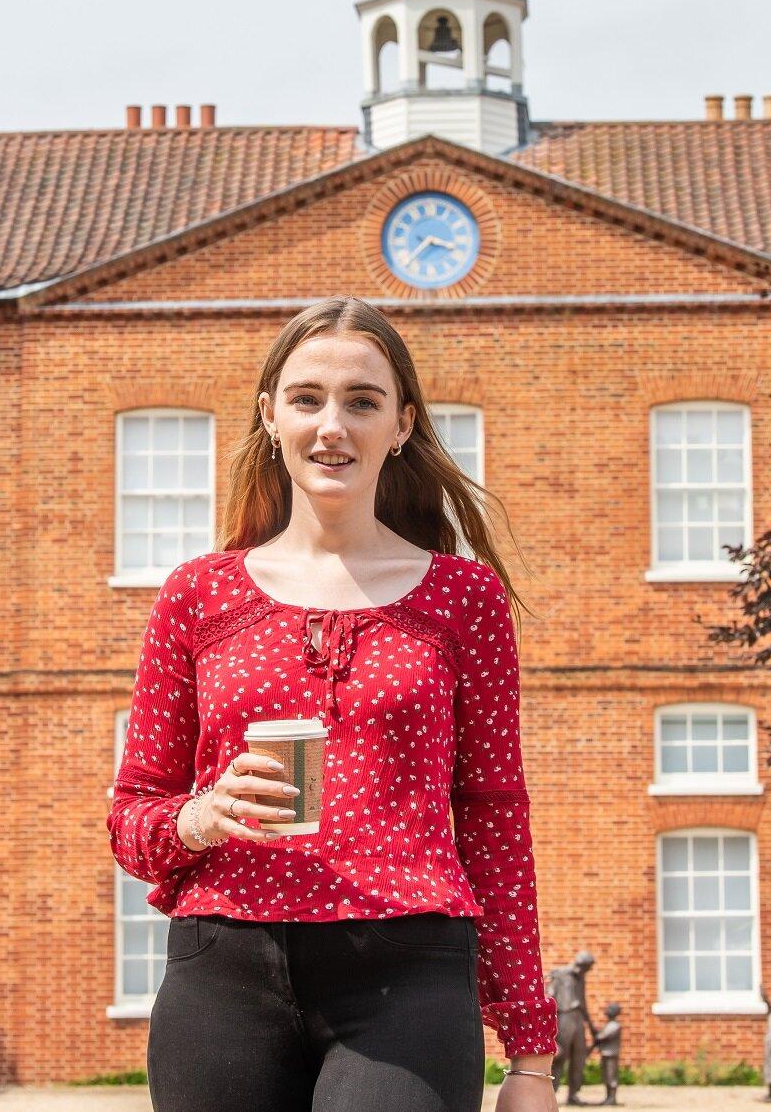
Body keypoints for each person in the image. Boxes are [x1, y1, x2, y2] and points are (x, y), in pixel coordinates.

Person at [109, 296, 559, 1112]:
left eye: (363, 401)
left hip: (410, 969)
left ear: (402, 424)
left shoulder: (465, 597)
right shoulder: (197, 595)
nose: (332, 426)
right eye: (307, 398)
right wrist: (202, 816)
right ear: (270, 416)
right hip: (224, 965)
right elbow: (132, 819)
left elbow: (495, 816)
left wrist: (530, 1054)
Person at [549, 949, 596, 1103]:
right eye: (587, 968)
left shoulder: (581, 978)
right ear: (581, 965)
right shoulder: (560, 975)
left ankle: (573, 1094)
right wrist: (550, 1026)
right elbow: (550, 997)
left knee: (579, 1056)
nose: (586, 971)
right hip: (564, 1017)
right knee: (559, 1057)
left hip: (578, 1018)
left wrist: (591, 1025)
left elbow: (583, 1002)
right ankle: (551, 1094)